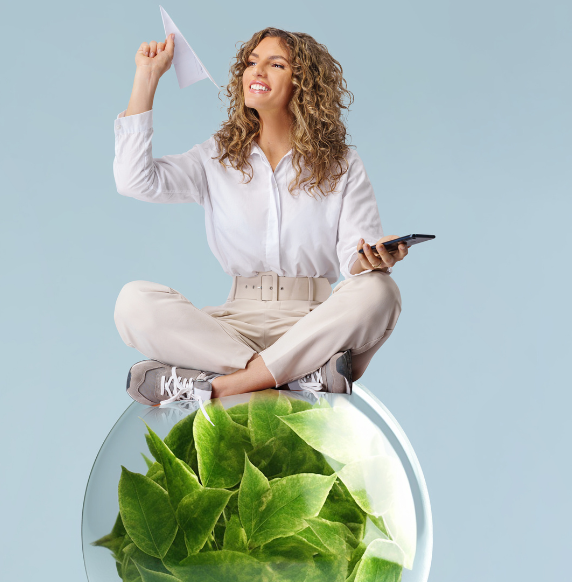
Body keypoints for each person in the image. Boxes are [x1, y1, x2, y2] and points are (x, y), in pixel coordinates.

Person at [113, 27, 414, 406]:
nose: (256, 71)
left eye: (275, 64)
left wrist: (373, 259)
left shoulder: (342, 164)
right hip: (232, 329)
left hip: (312, 324)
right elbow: (134, 180)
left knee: (380, 289)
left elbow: (354, 260)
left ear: (303, 83)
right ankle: (299, 376)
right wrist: (147, 76)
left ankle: (217, 385)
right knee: (133, 301)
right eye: (251, 62)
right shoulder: (216, 158)